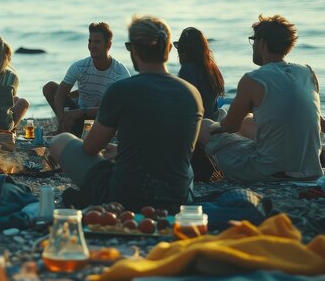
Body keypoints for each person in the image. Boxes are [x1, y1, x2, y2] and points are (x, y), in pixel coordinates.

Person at [50, 16, 203, 211]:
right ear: (170, 48)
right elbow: (173, 149)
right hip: (177, 196)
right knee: (182, 164)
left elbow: (89, 148)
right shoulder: (192, 94)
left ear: (133, 49)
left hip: (124, 196)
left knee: (60, 141)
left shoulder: (121, 89)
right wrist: (123, 151)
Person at [198, 15, 324, 182]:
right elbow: (319, 122)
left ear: (262, 43)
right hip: (311, 170)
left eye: (253, 40)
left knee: (203, 125)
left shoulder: (254, 79)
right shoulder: (307, 73)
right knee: (247, 122)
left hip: (268, 172)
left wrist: (213, 129)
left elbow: (229, 126)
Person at [43, 22, 130, 136]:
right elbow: (60, 94)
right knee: (50, 88)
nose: (92, 46)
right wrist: (62, 118)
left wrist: (82, 112)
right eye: (90, 41)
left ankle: (82, 133)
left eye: (97, 42)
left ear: (108, 45)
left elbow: (115, 109)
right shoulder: (80, 66)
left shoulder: (120, 74)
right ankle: (66, 129)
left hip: (102, 121)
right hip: (78, 117)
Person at [176, 27, 225, 121]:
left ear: (183, 51)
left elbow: (189, 106)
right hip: (214, 118)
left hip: (201, 125)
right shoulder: (211, 67)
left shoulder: (187, 69)